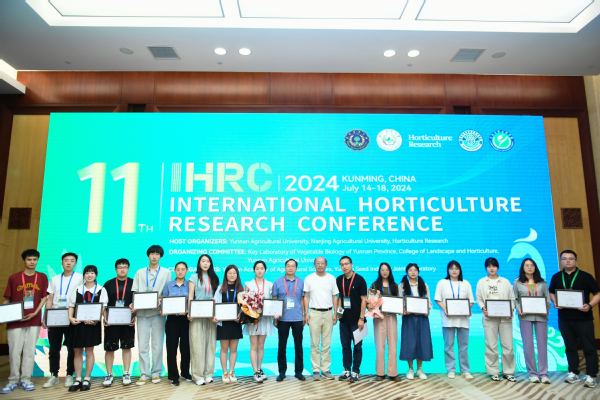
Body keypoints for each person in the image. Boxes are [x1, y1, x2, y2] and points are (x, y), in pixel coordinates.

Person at [549, 249, 600, 388]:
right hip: (564, 319)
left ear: (575, 260)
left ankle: (591, 375)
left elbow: (597, 294)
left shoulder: (586, 276)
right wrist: (555, 302)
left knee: (589, 347)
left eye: (571, 258)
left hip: (584, 318)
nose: (568, 261)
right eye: (564, 258)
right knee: (570, 347)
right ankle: (573, 372)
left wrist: (590, 305)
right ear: (561, 261)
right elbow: (551, 292)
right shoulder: (556, 277)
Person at [1, 249, 49, 394]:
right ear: (24, 261)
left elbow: (44, 298)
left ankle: (26, 379)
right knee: (14, 352)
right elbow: (7, 299)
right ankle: (13, 380)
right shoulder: (14, 278)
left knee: (29, 351)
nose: (32, 262)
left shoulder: (42, 277)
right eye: (29, 259)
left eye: (34, 259)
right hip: (16, 321)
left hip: (34, 320)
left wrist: (36, 312)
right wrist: (3, 315)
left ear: (37, 260)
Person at [132, 244, 172, 385]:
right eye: (152, 254)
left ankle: (156, 372)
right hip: (142, 313)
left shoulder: (166, 272)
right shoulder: (140, 272)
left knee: (157, 344)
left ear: (160, 256)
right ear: (148, 255)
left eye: (157, 254)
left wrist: (162, 301)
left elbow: (167, 292)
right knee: (142, 345)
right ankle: (144, 373)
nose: (154, 256)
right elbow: (135, 291)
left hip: (158, 313)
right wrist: (134, 305)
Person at [44, 252, 82, 388]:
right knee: (54, 348)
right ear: (62, 262)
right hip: (55, 316)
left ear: (75, 263)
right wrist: (46, 316)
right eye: (66, 260)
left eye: (72, 260)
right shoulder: (54, 279)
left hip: (71, 316)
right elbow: (50, 298)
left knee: (72, 348)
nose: (69, 262)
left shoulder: (80, 278)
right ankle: (53, 375)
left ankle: (69, 375)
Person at [67, 265, 108, 392]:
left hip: (92, 325)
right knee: (77, 351)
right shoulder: (77, 289)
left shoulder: (101, 289)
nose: (89, 275)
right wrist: (70, 318)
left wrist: (98, 319)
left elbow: (103, 308)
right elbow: (71, 305)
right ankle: (78, 378)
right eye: (87, 273)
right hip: (78, 324)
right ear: (84, 275)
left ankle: (87, 378)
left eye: (92, 273)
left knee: (90, 351)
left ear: (96, 275)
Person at [475, 257, 516, 382]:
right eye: (489, 266)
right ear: (486, 268)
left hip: (505, 318)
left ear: (497, 267)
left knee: (508, 346)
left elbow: (512, 298)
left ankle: (508, 372)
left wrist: (510, 310)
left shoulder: (505, 282)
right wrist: (483, 308)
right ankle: (493, 372)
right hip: (489, 318)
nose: (491, 268)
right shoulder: (482, 282)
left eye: (494, 266)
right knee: (491, 346)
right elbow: (479, 299)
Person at [434, 260, 474, 380]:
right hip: (448, 319)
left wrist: (465, 309)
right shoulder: (442, 283)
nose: (454, 271)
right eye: (452, 268)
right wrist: (446, 309)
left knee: (464, 346)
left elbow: (471, 301)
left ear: (460, 270)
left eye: (456, 268)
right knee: (448, 346)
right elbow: (438, 299)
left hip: (463, 320)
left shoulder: (465, 283)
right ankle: (451, 369)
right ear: (448, 270)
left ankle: (465, 370)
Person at [513, 258, 550, 384]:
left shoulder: (542, 282)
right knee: (528, 344)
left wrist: (546, 309)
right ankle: (533, 373)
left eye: (532, 265)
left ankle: (544, 373)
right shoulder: (517, 282)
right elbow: (515, 299)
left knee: (542, 344)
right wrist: (518, 308)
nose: (529, 267)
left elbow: (547, 299)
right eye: (527, 265)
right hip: (525, 316)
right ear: (523, 268)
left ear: (535, 267)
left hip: (541, 316)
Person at [303, 256, 338, 380]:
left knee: (327, 343)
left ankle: (326, 369)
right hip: (314, 313)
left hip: (328, 313)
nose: (320, 265)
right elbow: (306, 296)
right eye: (318, 263)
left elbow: (335, 296)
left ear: (326, 265)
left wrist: (335, 313)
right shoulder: (309, 278)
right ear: (314, 265)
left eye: (322, 263)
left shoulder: (331, 278)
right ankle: (316, 370)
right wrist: (306, 313)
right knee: (314, 343)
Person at [102, 258, 135, 387]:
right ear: (116, 269)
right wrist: (105, 317)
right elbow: (103, 304)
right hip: (112, 322)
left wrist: (134, 316)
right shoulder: (108, 284)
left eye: (125, 267)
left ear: (128, 269)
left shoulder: (134, 283)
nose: (122, 269)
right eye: (120, 267)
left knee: (126, 347)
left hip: (128, 321)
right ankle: (109, 374)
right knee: (110, 348)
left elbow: (137, 303)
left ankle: (126, 373)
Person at [272, 258, 306, 381]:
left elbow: (302, 299)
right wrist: (275, 316)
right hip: (283, 319)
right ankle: (282, 372)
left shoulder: (301, 282)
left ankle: (299, 372)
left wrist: (304, 314)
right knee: (282, 346)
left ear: (296, 268)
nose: (290, 268)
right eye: (288, 266)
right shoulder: (278, 282)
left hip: (297, 318)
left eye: (293, 266)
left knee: (299, 346)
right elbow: (274, 299)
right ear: (285, 267)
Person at [188, 254, 219, 386]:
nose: (205, 263)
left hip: (210, 316)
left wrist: (216, 314)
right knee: (197, 345)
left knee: (210, 345)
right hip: (196, 314)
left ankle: (208, 374)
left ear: (210, 264)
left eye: (208, 261)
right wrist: (190, 311)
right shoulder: (194, 277)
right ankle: (197, 375)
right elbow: (190, 296)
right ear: (199, 263)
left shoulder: (214, 278)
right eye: (203, 261)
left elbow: (217, 298)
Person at [336, 255, 367, 383]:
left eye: (346, 264)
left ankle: (356, 371)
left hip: (357, 321)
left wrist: (361, 318)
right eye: (342, 264)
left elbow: (364, 300)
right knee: (345, 346)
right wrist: (338, 314)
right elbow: (339, 297)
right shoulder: (339, 279)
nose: (344, 266)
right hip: (344, 320)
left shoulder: (360, 279)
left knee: (357, 347)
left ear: (351, 264)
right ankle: (347, 370)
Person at [399, 263, 433, 380]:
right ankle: (410, 369)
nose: (413, 272)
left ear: (418, 272)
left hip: (422, 318)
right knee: (409, 343)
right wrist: (404, 311)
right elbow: (400, 302)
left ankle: (419, 369)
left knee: (421, 342)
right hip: (408, 318)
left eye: (415, 270)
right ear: (407, 272)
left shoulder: (424, 285)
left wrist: (427, 310)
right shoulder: (402, 286)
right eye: (410, 270)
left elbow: (428, 301)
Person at [162, 261, 192, 386]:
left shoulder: (190, 284)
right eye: (178, 269)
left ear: (186, 271)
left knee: (186, 348)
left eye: (183, 269)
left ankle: (185, 372)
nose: (180, 271)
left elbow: (193, 301)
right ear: (174, 271)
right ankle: (173, 376)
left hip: (186, 320)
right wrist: (163, 308)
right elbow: (163, 300)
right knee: (171, 348)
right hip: (172, 320)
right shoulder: (168, 285)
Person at [370, 262, 401, 382]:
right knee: (380, 345)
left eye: (386, 270)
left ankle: (393, 373)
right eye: (382, 270)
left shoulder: (395, 286)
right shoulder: (375, 285)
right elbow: (370, 302)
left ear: (390, 271)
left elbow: (399, 302)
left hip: (392, 317)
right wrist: (373, 304)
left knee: (393, 345)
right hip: (379, 318)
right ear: (379, 271)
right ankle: (380, 373)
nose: (384, 272)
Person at [244, 260, 273, 383]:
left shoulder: (270, 285)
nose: (259, 270)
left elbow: (272, 302)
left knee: (261, 345)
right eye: (257, 268)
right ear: (254, 270)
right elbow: (245, 303)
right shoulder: (248, 284)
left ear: (265, 270)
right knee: (253, 345)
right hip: (253, 320)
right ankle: (255, 371)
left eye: (262, 268)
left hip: (265, 319)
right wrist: (253, 311)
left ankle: (260, 369)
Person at [214, 264, 243, 383]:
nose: (232, 275)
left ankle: (232, 371)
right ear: (226, 274)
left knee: (234, 350)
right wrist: (215, 316)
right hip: (223, 324)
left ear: (237, 275)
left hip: (236, 323)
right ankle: (224, 373)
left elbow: (245, 307)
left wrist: (240, 316)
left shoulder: (241, 290)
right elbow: (215, 304)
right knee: (224, 349)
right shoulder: (220, 288)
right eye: (229, 273)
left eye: (234, 273)